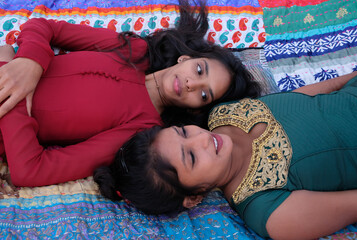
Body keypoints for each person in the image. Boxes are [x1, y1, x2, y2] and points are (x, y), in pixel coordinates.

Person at [0, 0, 261, 187]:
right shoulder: (133, 50)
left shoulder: (141, 131)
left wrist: (10, 72)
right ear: (185, 58)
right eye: (200, 69)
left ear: (196, 109)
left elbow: (30, 171)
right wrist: (29, 63)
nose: (194, 84)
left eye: (204, 95)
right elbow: (44, 27)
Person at [94, 71, 357, 240]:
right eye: (192, 158)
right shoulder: (269, 211)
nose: (202, 139)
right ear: (194, 197)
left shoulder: (224, 112)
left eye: (183, 132)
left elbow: (315, 96)